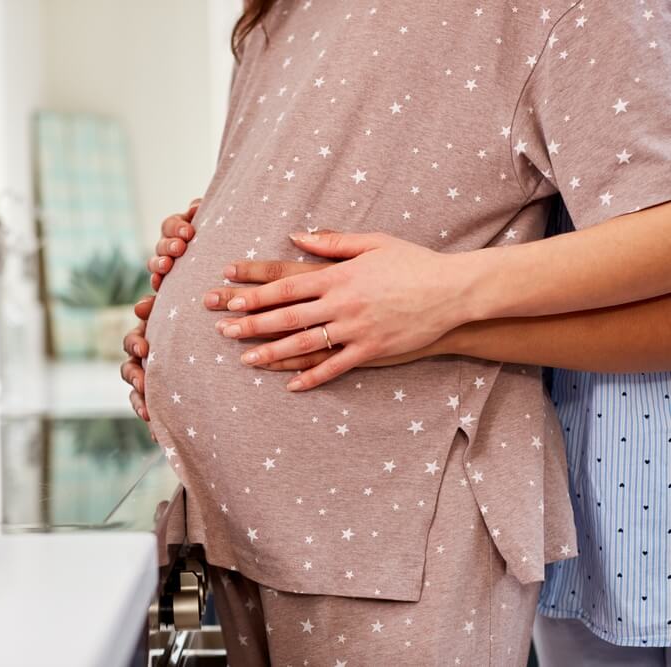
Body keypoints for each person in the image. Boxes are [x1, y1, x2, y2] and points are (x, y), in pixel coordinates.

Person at [122, 1, 671, 663]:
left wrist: (440, 298)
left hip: (383, 527)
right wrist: (190, 297)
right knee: (163, 650)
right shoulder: (276, 15)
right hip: (204, 510)